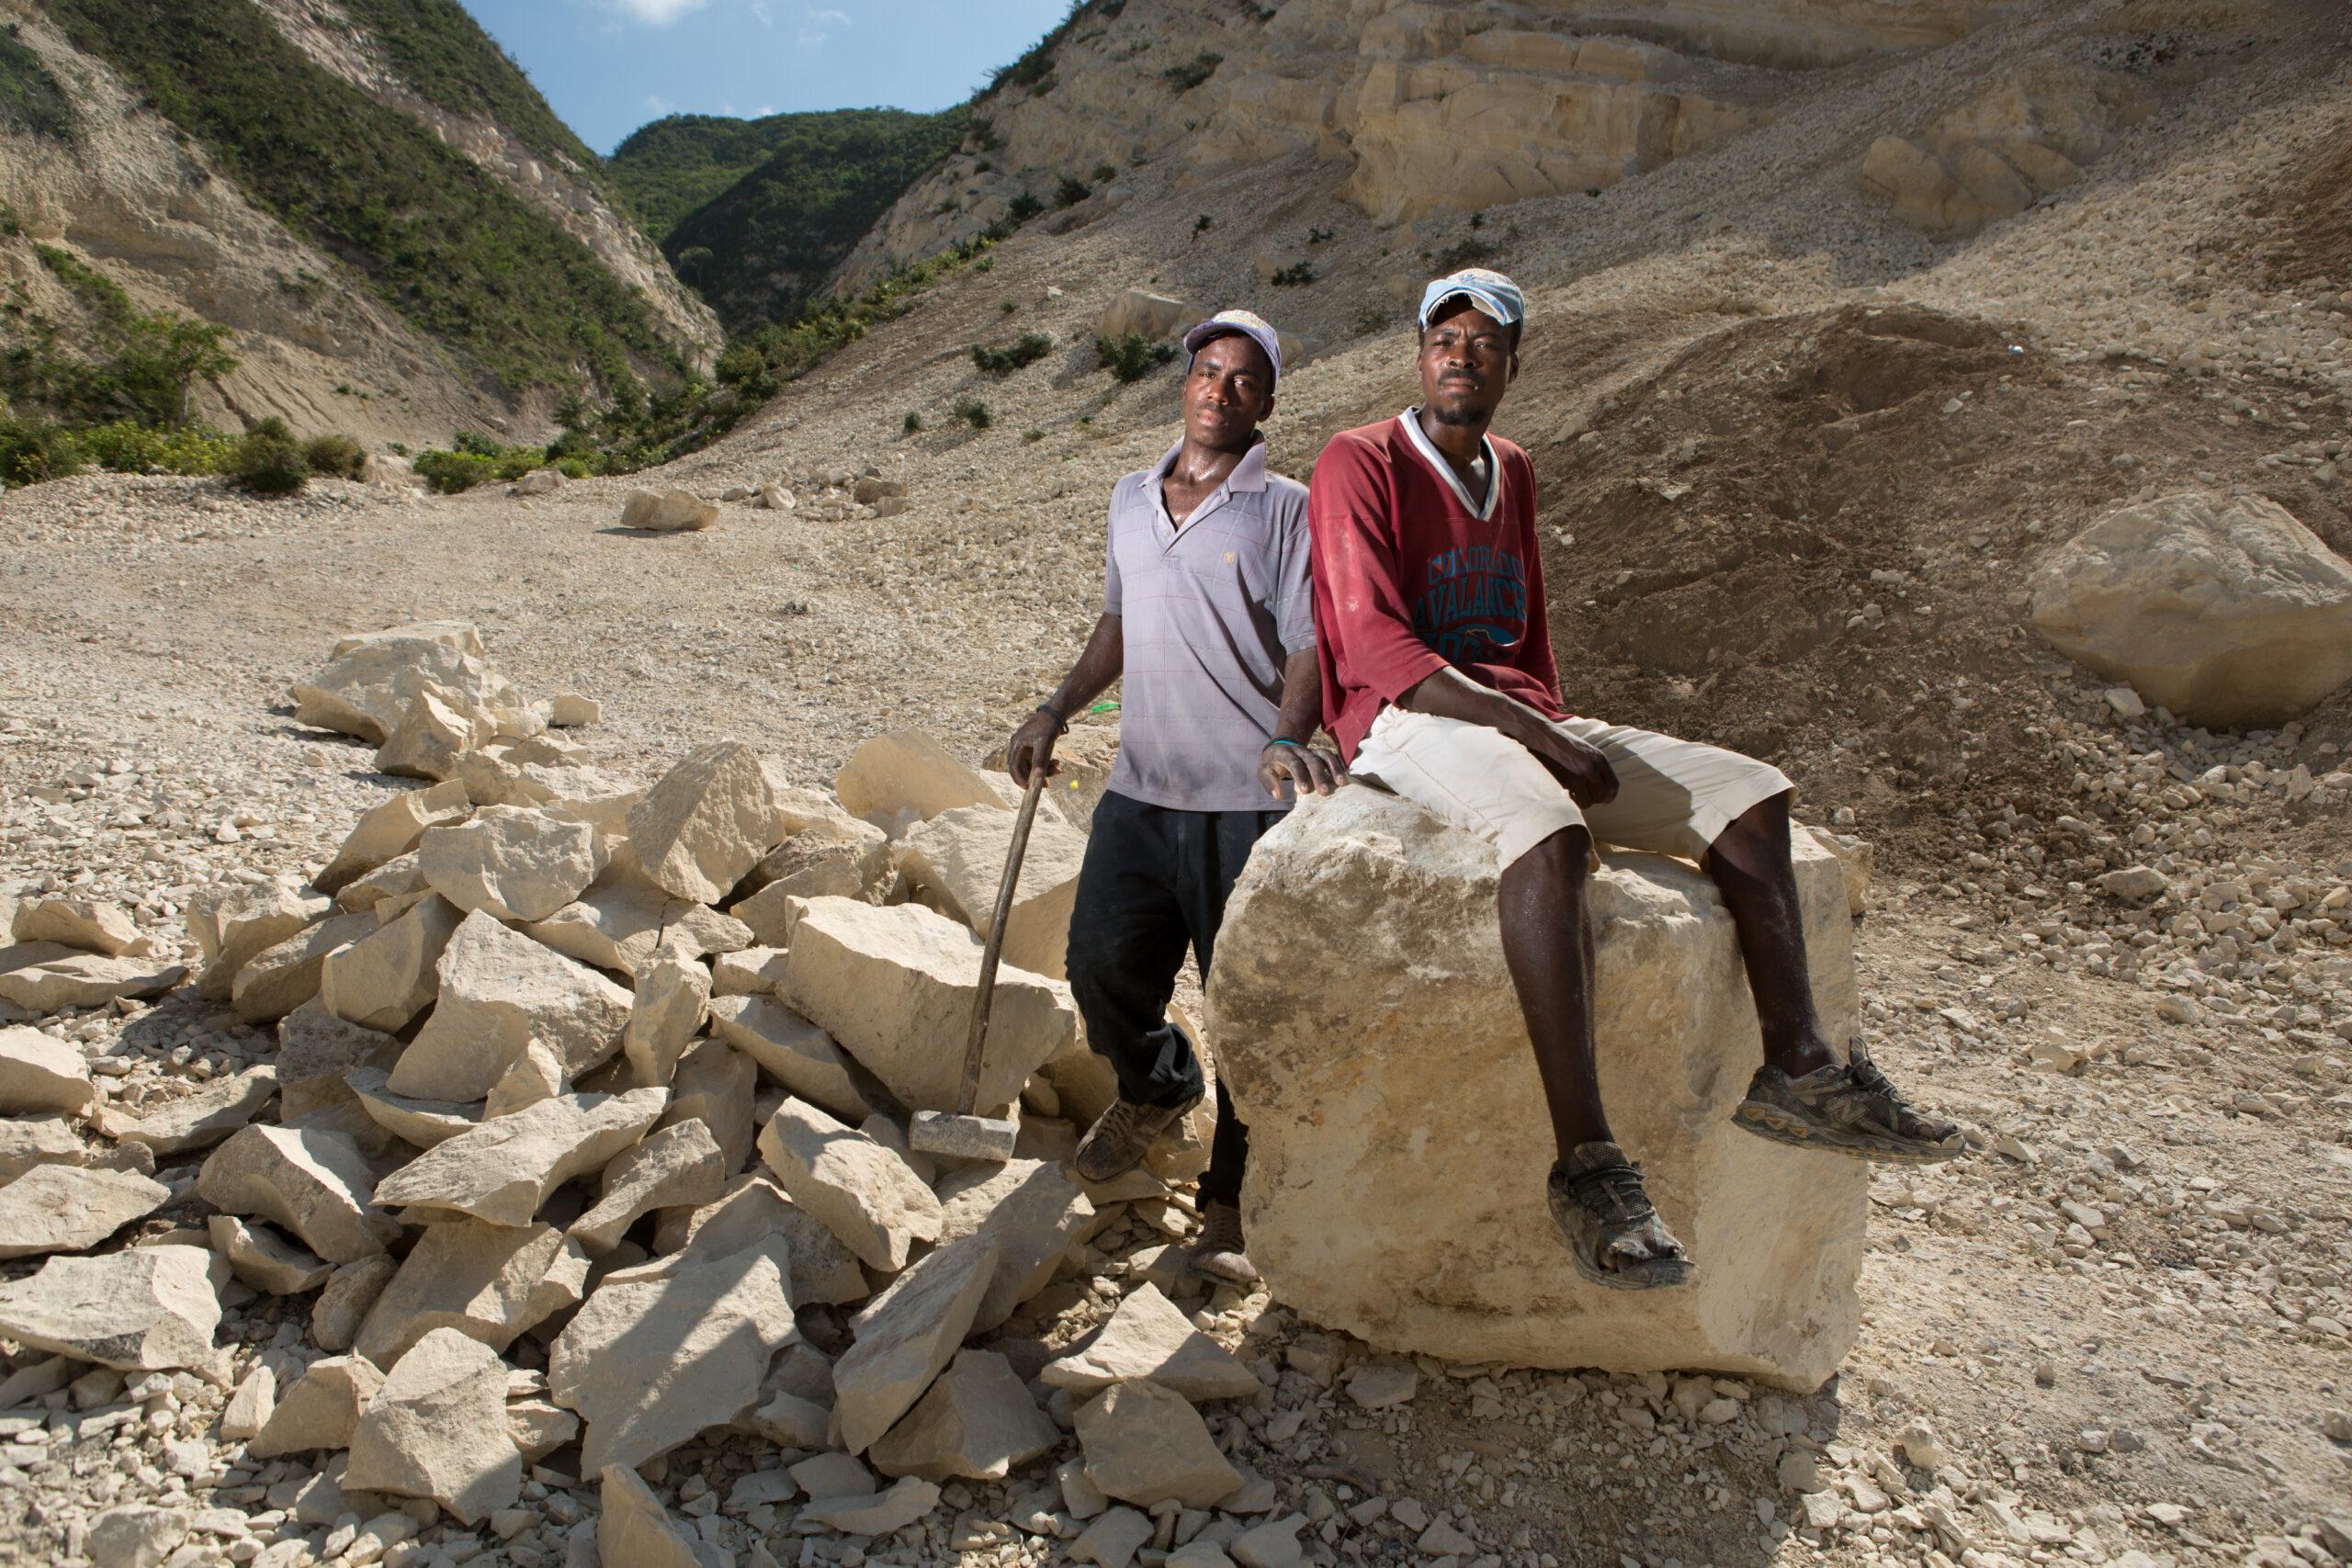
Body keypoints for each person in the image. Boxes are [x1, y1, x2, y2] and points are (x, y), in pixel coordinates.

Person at [1306, 267, 1962, 1291]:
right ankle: (1588, 1167)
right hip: (1406, 718)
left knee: (1748, 791)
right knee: (1549, 829)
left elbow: (1527, 628)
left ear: (1512, 365)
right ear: (1419, 353)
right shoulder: (1359, 458)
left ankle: (1797, 1066)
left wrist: (1557, 722)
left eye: (1484, 343)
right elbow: (1369, 636)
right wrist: (1535, 737)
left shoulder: (1511, 467)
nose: (1460, 356)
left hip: (1514, 707)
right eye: (1444, 338)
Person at [1006, 309, 1344, 1286]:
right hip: (1140, 791)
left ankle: (1230, 1201)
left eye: (1243, 378)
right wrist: (1054, 708)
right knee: (1099, 969)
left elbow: (1308, 643)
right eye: (1207, 370)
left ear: (1266, 402)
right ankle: (1156, 1087)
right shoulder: (1128, 496)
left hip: (1244, 799)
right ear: (1184, 382)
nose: (1219, 389)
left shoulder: (1283, 507)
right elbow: (1116, 623)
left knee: (1239, 1002)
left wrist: (1290, 734)